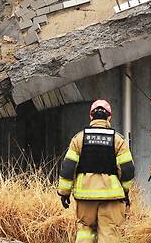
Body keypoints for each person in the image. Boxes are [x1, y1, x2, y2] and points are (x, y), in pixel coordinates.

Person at [57, 99, 135, 243]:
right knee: (109, 233)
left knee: (86, 231)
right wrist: (124, 191)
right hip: (111, 197)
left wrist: (64, 192)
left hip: (85, 197)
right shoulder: (118, 140)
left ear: (91, 116)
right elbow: (128, 170)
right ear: (109, 117)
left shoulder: (78, 139)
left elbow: (68, 168)